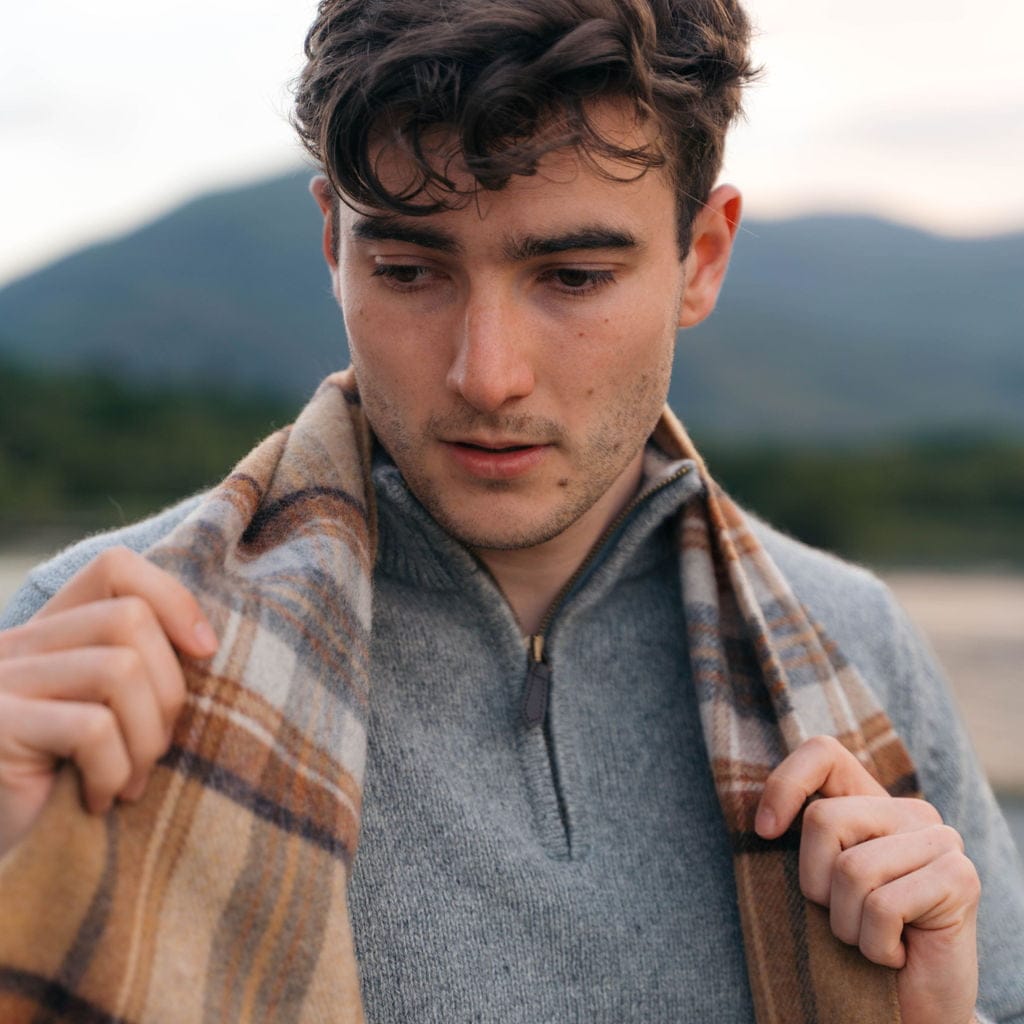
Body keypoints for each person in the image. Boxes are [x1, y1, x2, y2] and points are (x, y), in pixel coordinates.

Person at [1, 1, 1022, 1022]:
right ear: (333, 245)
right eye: (408, 271)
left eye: (573, 277)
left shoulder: (857, 645)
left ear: (703, 258)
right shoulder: (89, 646)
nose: (486, 374)